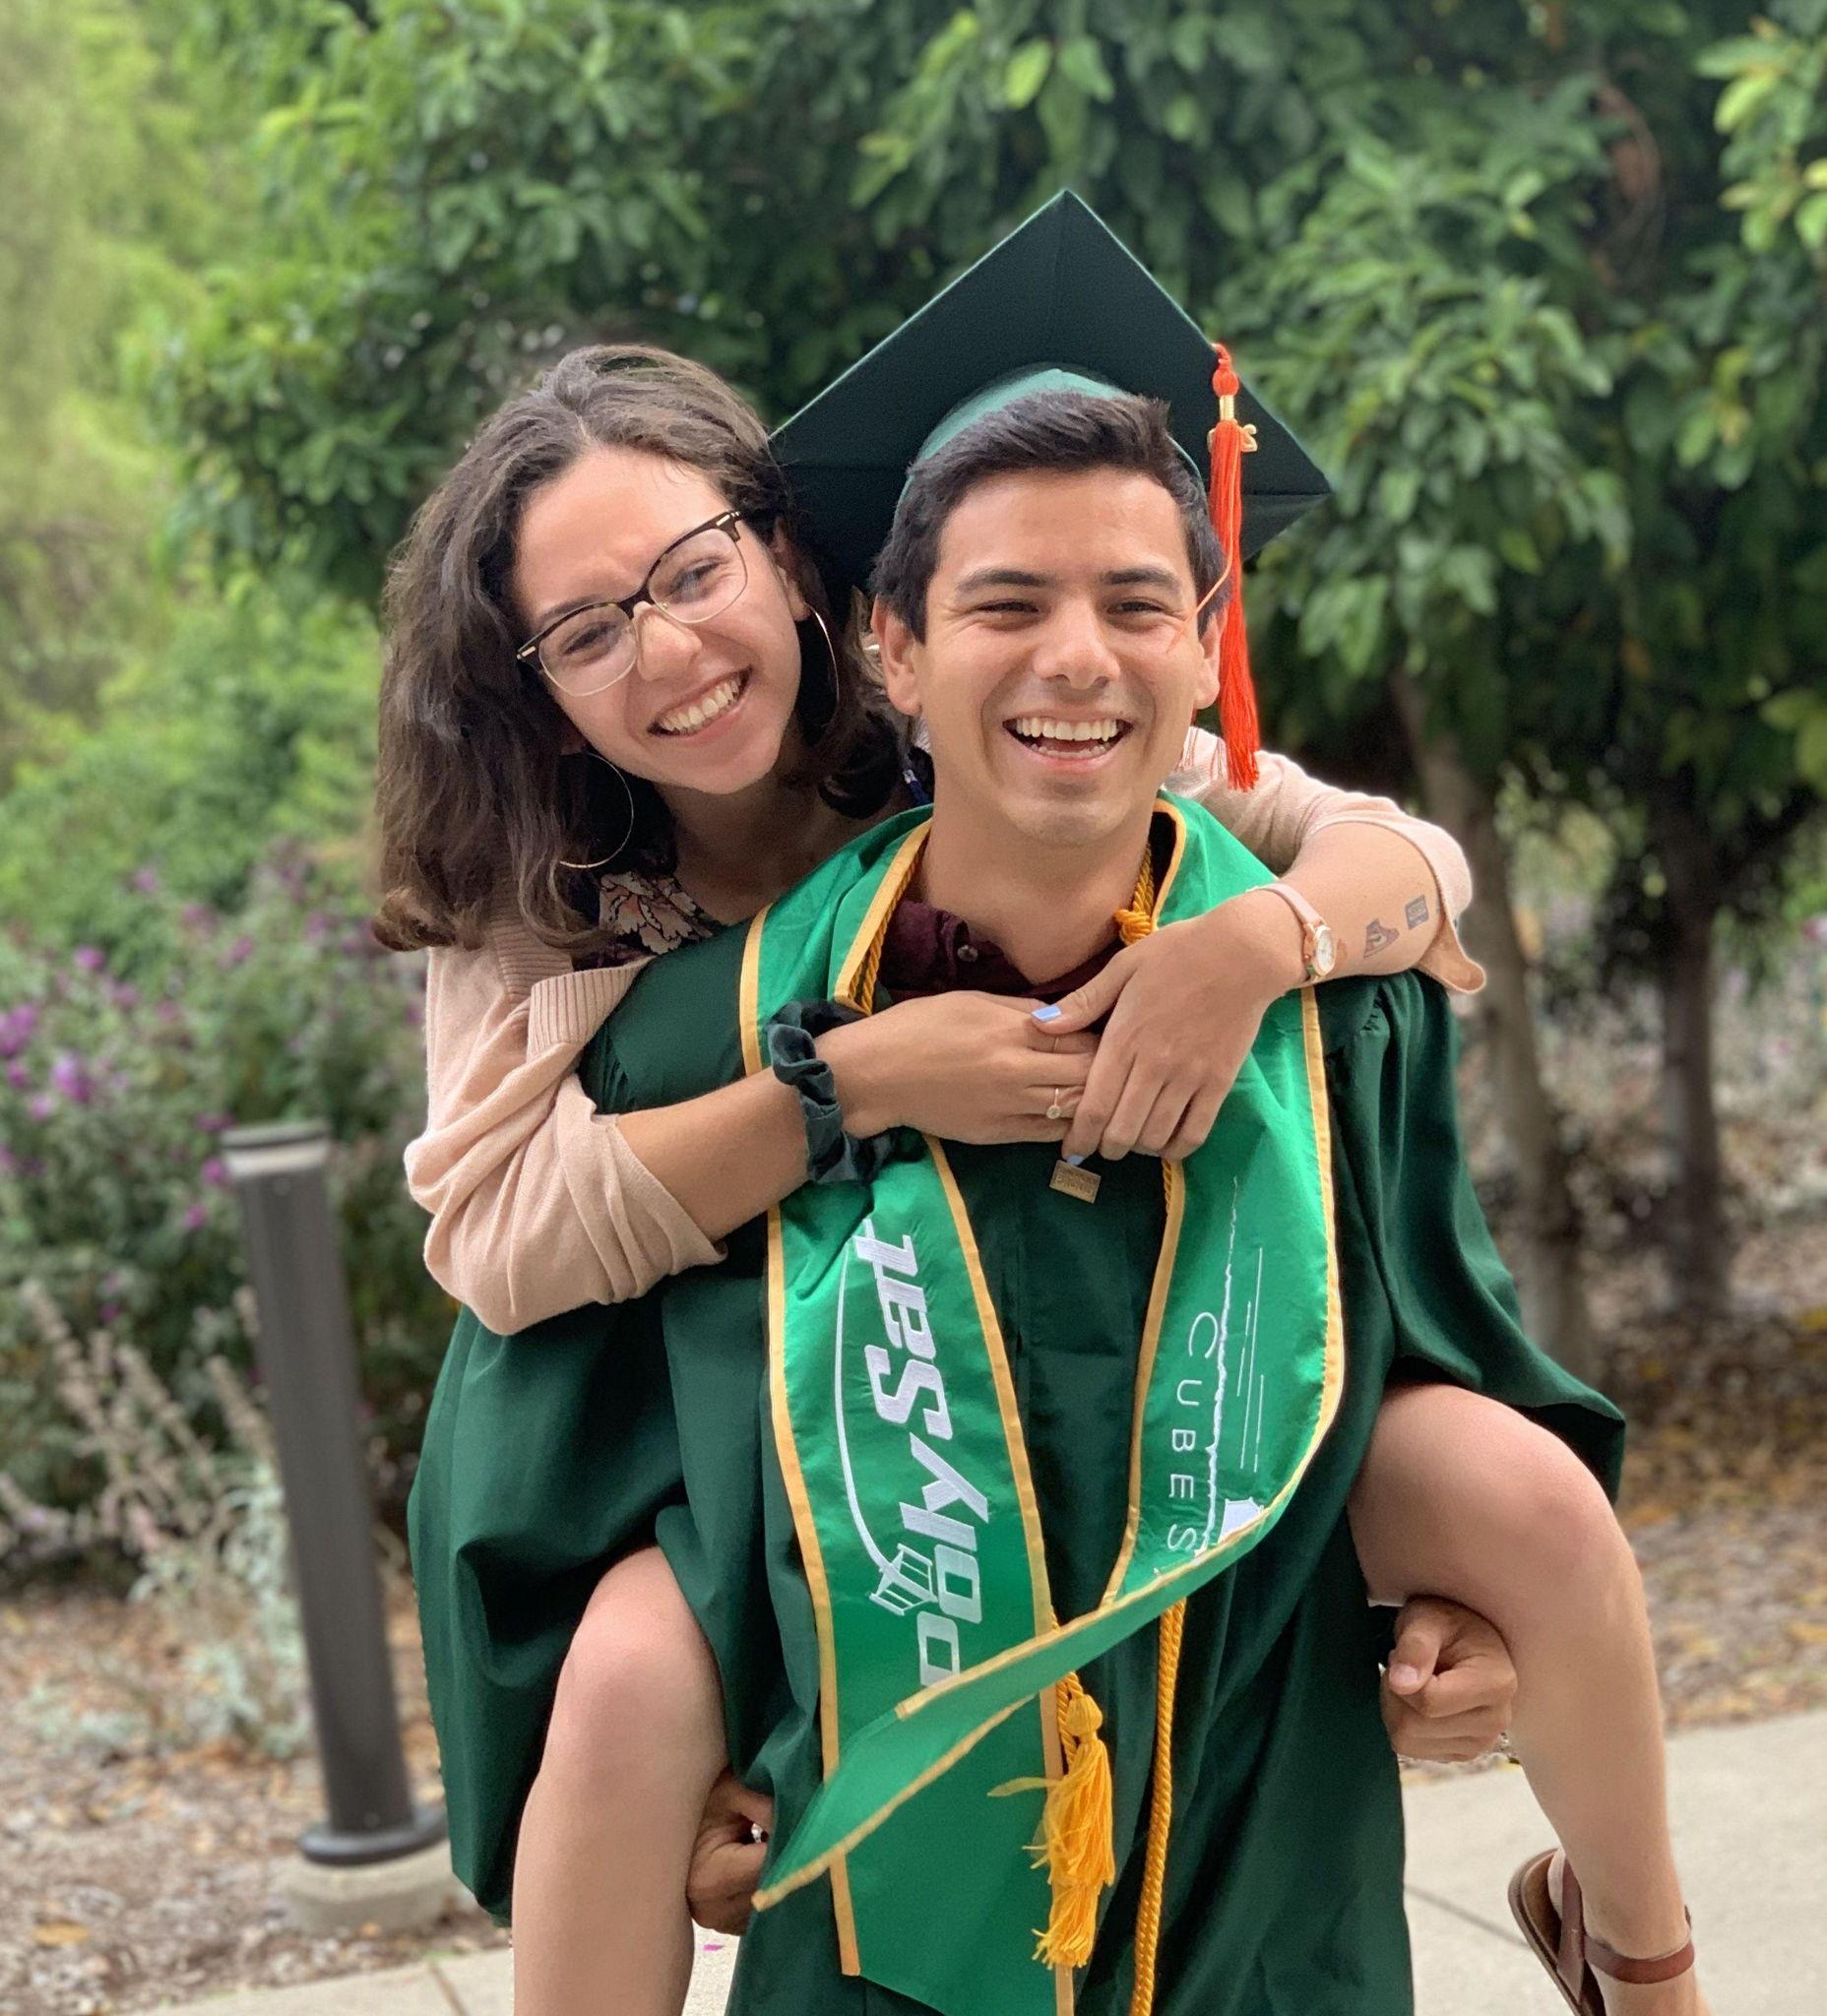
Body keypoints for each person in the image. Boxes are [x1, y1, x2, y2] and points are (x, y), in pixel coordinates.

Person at [404, 199, 1697, 2015]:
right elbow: (502, 1244)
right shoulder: (540, 907)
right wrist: (855, 1080)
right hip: (744, 1399)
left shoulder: (983, 735)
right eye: (587, 628)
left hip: (1112, 1346)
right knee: (627, 1690)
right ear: (533, 689)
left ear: (796, 570)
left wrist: (1256, 945)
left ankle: (1644, 1962)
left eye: (691, 572)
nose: (667, 648)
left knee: (1521, 1509)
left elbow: (1402, 861)